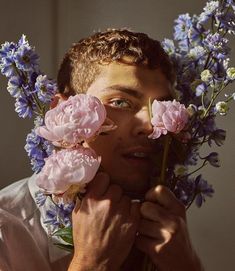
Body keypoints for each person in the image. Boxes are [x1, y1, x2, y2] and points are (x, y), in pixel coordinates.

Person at [0, 29, 203, 271]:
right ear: (62, 111)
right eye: (120, 102)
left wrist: (187, 264)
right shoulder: (7, 233)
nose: (151, 125)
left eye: (161, 105)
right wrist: (91, 263)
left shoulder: (169, 238)